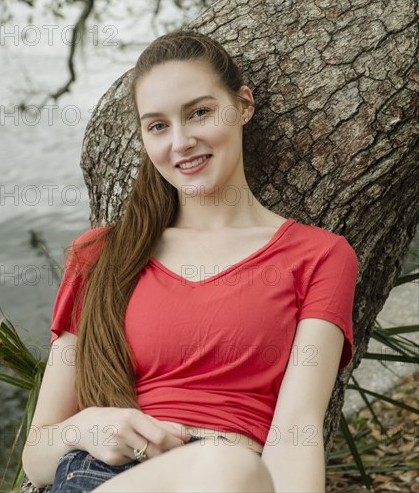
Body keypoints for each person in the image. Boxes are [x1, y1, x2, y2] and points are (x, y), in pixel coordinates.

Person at [22, 29, 359, 493]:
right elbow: (37, 460)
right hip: (99, 478)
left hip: (238, 482)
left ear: (243, 105)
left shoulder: (320, 256)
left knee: (231, 469)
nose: (180, 142)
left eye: (199, 113)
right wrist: (87, 427)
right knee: (228, 467)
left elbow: (296, 434)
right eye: (158, 126)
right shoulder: (101, 255)